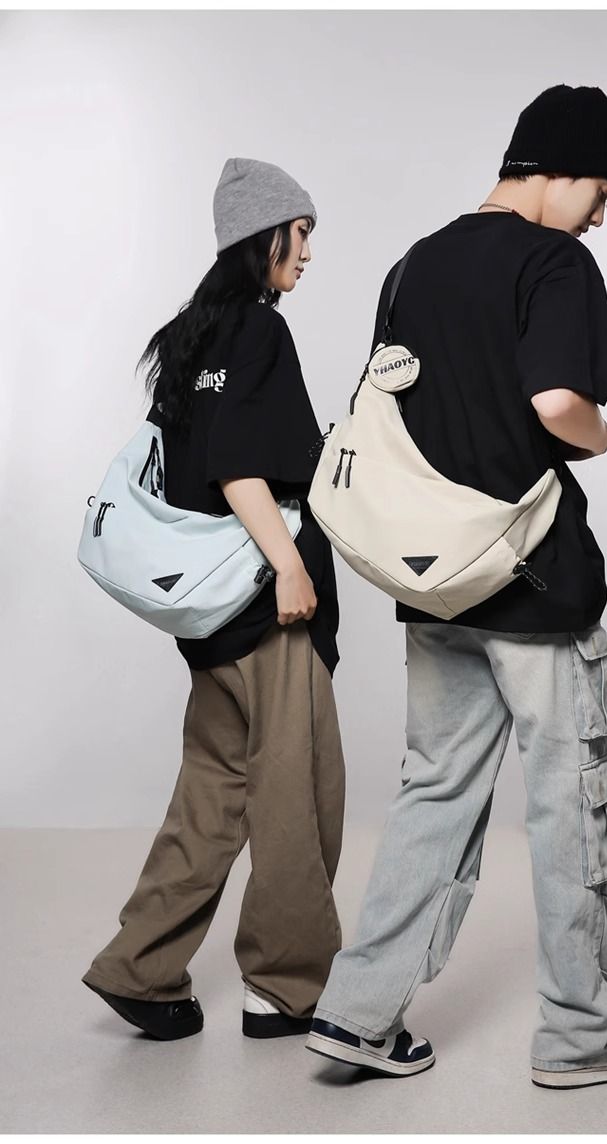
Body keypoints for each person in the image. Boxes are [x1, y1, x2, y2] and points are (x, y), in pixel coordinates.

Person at [306, 86, 607, 1087]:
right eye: (602, 192)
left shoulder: (413, 264)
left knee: (433, 792)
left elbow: (395, 412)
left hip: (435, 582)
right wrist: (601, 433)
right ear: (561, 170)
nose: (601, 216)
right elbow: (558, 403)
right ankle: (581, 1039)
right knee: (568, 802)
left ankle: (358, 1015)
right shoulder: (555, 262)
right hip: (533, 583)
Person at [82, 159, 346, 1042]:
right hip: (266, 607)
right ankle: (286, 986)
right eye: (300, 233)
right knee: (297, 791)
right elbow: (238, 467)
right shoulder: (262, 333)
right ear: (263, 235)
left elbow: (185, 468)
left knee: (212, 792)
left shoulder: (189, 338)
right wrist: (293, 570)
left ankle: (142, 967)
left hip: (208, 618)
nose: (308, 251)